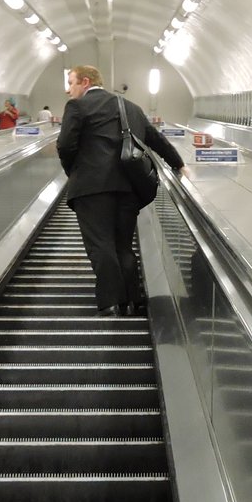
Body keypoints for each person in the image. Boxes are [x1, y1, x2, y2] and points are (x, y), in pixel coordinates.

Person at [56, 64, 184, 317]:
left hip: (91, 188)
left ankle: (111, 302)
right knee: (123, 245)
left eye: (71, 83)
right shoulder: (131, 108)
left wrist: (76, 173)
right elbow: (155, 139)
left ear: (84, 81)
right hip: (127, 187)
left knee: (101, 244)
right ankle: (133, 300)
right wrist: (179, 164)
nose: (69, 90)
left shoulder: (77, 107)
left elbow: (65, 145)